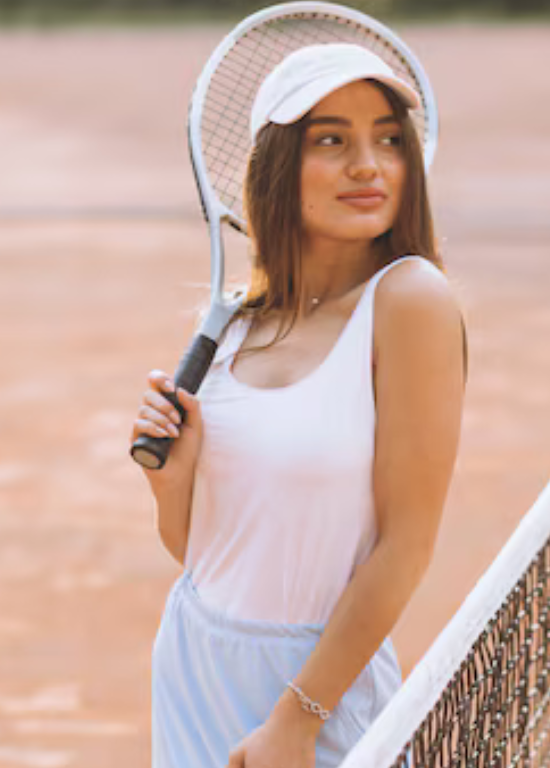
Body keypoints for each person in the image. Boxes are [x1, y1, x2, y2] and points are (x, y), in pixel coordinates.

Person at [131, 42, 467, 768]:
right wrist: (173, 482)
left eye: (387, 139)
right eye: (330, 140)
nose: (367, 166)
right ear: (280, 167)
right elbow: (206, 555)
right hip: (194, 660)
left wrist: (298, 719)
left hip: (318, 691)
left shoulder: (410, 302)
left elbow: (408, 542)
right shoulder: (240, 326)